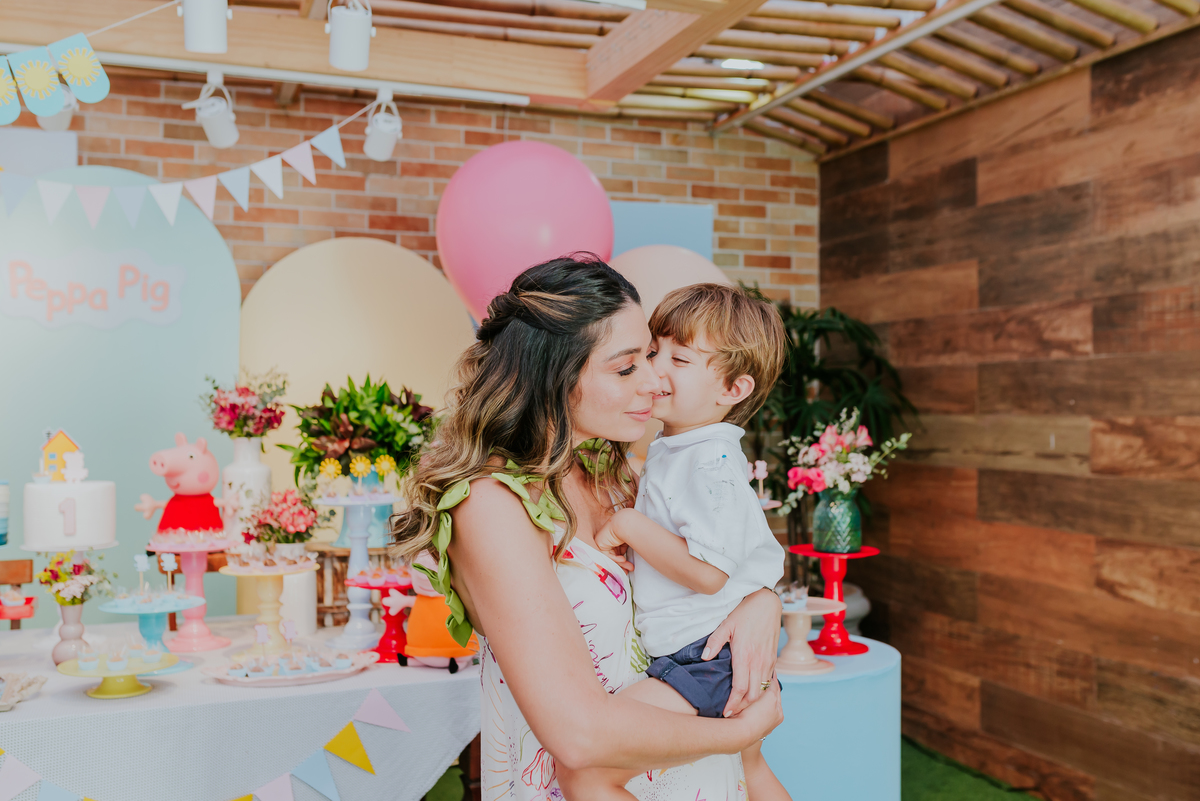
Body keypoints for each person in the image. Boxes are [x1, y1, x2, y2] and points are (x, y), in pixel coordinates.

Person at [392, 256, 784, 801]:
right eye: (627, 368)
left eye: (652, 356)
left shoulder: (613, 473)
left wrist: (763, 600)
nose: (654, 381)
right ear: (554, 376)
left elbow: (711, 561)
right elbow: (578, 739)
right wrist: (744, 730)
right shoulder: (492, 503)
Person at [556, 284, 791, 801]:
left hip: (705, 657)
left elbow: (709, 574)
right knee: (749, 770)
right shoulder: (677, 449)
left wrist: (628, 527)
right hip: (705, 651)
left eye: (678, 359)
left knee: (589, 766)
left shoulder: (710, 462)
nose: (654, 371)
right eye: (651, 352)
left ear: (732, 389)